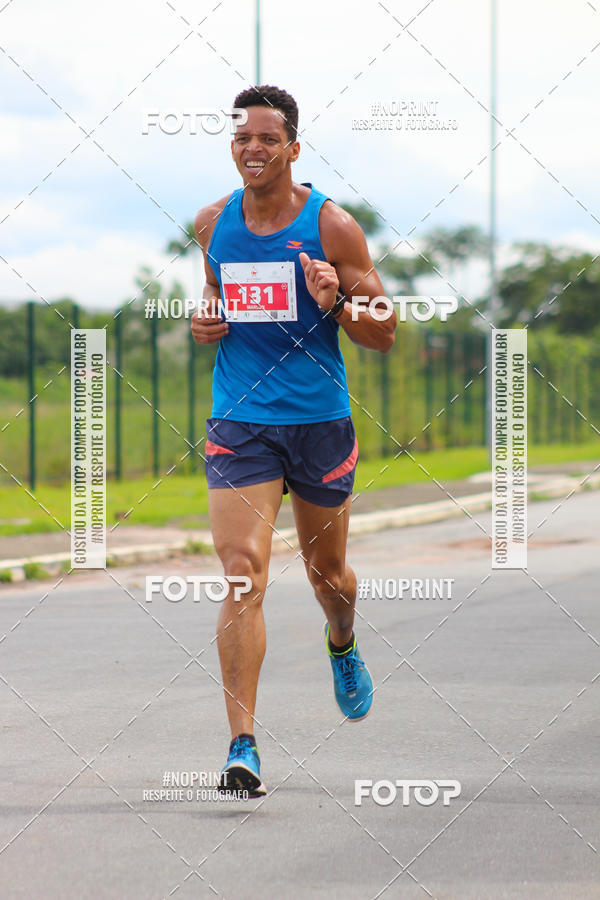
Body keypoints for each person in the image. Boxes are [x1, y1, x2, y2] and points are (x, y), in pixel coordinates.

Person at [191, 85, 396, 798]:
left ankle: (341, 637)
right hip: (241, 421)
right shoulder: (212, 223)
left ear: (293, 148)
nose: (253, 149)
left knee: (327, 578)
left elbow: (385, 332)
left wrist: (336, 301)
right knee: (243, 567)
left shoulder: (333, 227)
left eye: (267, 139)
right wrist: (205, 324)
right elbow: (217, 302)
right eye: (242, 138)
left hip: (318, 422)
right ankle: (241, 744)